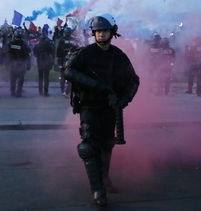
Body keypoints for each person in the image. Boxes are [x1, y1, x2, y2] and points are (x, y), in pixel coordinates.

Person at [64, 14, 139, 207]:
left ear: (111, 32)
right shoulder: (85, 53)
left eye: (104, 31)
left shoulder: (118, 56)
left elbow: (133, 80)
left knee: (107, 145)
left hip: (109, 108)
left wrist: (124, 100)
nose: (100, 35)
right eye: (97, 31)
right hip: (89, 106)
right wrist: (96, 86)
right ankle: (97, 190)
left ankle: (105, 178)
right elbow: (69, 71)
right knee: (88, 147)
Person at [4, 29, 31, 97]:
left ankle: (12, 92)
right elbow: (28, 53)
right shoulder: (24, 44)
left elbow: (7, 53)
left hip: (13, 63)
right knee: (20, 79)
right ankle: (18, 92)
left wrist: (7, 63)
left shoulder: (11, 44)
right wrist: (28, 65)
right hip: (21, 63)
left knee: (13, 79)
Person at [33, 32, 55, 96]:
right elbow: (52, 52)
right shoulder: (48, 45)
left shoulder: (37, 45)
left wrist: (38, 56)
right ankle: (45, 92)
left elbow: (34, 53)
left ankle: (40, 92)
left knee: (40, 78)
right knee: (46, 78)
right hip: (46, 62)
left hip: (40, 62)